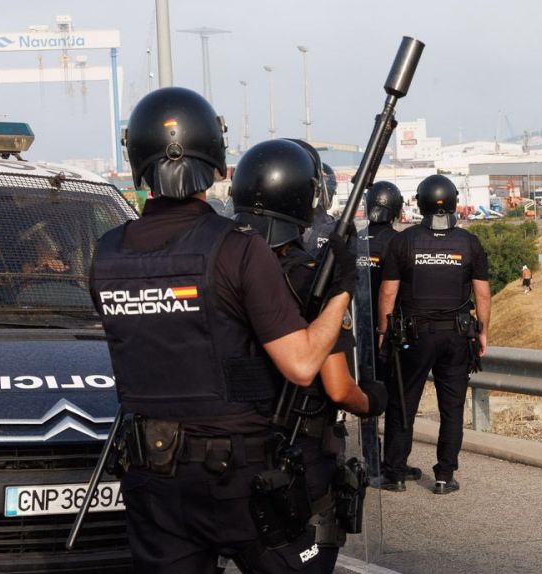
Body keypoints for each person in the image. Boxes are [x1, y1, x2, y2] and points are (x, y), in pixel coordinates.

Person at [89, 87, 380, 574]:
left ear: (136, 159)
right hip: (239, 481)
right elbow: (303, 362)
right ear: (219, 161)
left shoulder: (105, 253)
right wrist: (342, 292)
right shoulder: (236, 248)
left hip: (153, 481)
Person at [229, 138, 387, 573]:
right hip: (298, 458)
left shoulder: (223, 268)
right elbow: (337, 387)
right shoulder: (311, 279)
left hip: (227, 455)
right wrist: (372, 401)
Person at [377, 174, 490, 495]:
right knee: (451, 409)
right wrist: (483, 332)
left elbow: (388, 293)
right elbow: (482, 294)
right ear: (453, 202)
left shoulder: (403, 241)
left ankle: (395, 472)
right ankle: (444, 476)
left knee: (403, 402)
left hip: (413, 336)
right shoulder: (469, 243)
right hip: (457, 336)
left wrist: (383, 332)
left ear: (421, 202)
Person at [356, 180, 421, 481]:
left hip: (356, 334)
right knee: (399, 399)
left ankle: (368, 461)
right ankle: (394, 465)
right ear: (395, 209)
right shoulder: (400, 242)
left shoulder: (352, 241)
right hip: (390, 334)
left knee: (365, 399)